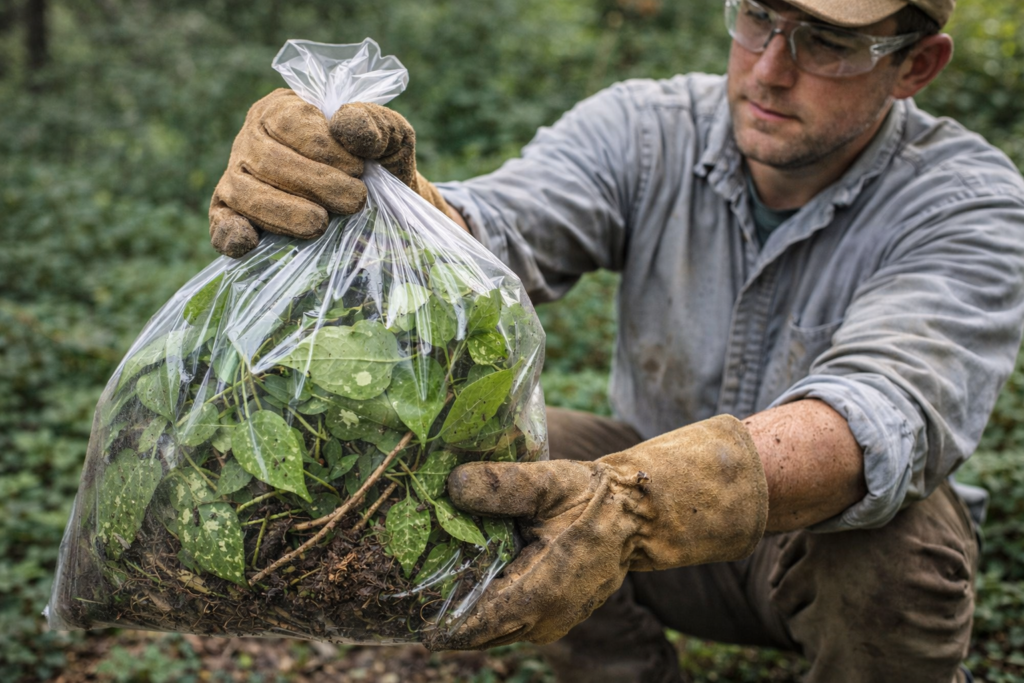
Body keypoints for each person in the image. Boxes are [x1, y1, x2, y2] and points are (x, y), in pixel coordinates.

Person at [206, 0, 1024, 680]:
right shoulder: (645, 128)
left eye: (829, 42)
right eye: (757, 17)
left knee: (898, 544)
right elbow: (504, 232)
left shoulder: (968, 203)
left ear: (915, 65)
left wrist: (629, 502)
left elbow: (879, 417)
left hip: (817, 558)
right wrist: (378, 199)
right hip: (660, 550)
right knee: (491, 455)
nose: (771, 68)